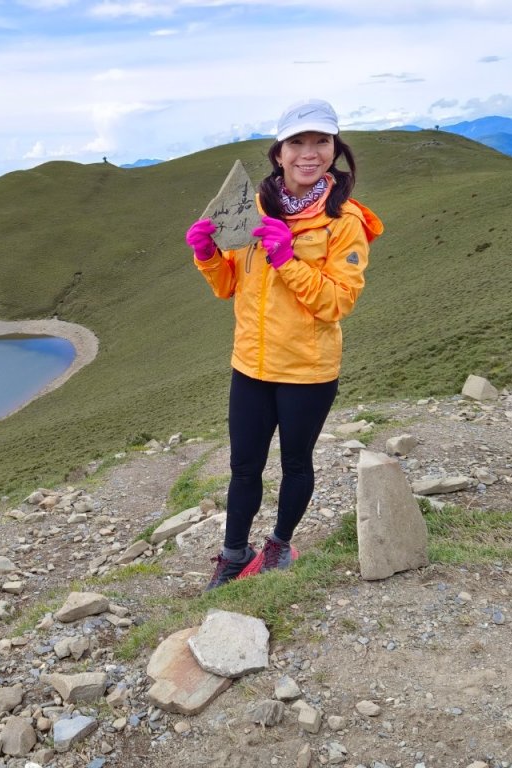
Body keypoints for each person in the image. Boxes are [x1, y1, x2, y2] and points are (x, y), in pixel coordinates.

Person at [185, 98, 383, 591]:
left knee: (296, 463)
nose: (309, 153)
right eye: (297, 142)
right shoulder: (249, 209)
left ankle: (278, 545)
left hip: (308, 371)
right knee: (243, 467)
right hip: (250, 364)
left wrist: (288, 259)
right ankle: (233, 555)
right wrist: (208, 255)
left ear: (335, 149)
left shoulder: (345, 223)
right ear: (279, 153)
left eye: (321, 141)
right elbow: (229, 285)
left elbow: (337, 302)